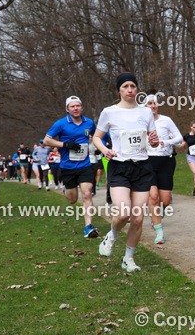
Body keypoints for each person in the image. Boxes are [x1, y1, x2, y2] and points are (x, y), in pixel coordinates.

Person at [93, 74, 160, 272]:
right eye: (125, 86)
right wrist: (105, 150)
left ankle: (128, 259)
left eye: (133, 86)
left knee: (138, 218)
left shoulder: (146, 113)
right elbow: (97, 138)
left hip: (142, 166)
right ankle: (112, 235)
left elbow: (152, 141)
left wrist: (154, 141)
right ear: (119, 91)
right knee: (123, 214)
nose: (130, 89)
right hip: (119, 166)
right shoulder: (109, 112)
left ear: (137, 90)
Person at [44, 96, 100, 238]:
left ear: (81, 107)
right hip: (67, 166)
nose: (76, 108)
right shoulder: (61, 124)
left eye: (78, 106)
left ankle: (88, 227)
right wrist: (65, 144)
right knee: (72, 200)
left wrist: (101, 146)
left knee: (87, 194)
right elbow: (46, 140)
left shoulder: (89, 122)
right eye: (72, 106)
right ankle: (66, 188)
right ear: (67, 109)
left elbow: (96, 135)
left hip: (85, 165)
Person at [144, 92, 185, 244]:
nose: (153, 106)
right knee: (153, 197)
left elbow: (179, 137)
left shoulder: (166, 120)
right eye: (149, 103)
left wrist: (166, 142)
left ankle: (158, 215)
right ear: (145, 106)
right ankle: (159, 233)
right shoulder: (141, 123)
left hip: (166, 162)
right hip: (148, 162)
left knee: (165, 201)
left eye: (154, 103)